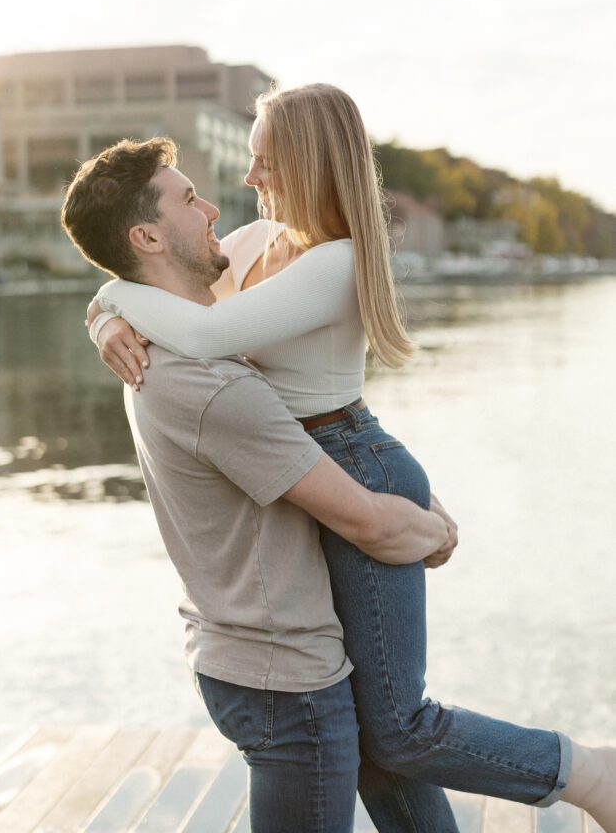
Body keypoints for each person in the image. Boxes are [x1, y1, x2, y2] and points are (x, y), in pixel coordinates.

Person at [89, 85, 615, 833]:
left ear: (304, 161)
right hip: (298, 462)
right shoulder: (251, 242)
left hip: (349, 459)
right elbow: (163, 286)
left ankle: (587, 770)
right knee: (371, 742)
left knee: (397, 727)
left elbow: (202, 335)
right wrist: (103, 316)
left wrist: (108, 301)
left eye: (261, 162)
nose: (247, 181)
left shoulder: (335, 261)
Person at [61, 136, 453, 833]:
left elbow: (208, 322)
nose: (219, 201)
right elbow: (365, 520)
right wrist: (433, 524)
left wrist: (107, 306)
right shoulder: (210, 380)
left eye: (261, 160)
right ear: (147, 234)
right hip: (284, 674)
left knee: (391, 751)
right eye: (189, 198)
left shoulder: (162, 348)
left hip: (245, 650)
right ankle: (583, 772)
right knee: (403, 733)